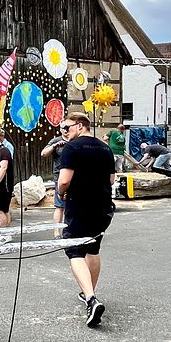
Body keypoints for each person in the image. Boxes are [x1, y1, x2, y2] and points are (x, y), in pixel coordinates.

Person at [58, 112, 115, 328]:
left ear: (80, 126)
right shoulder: (105, 148)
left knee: (74, 250)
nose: (64, 132)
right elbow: (111, 179)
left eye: (67, 127)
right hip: (103, 207)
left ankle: (91, 298)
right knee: (93, 248)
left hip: (80, 205)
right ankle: (89, 291)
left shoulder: (71, 148)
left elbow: (64, 181)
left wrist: (62, 193)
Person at [41, 130, 67, 229]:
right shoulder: (55, 141)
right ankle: (57, 232)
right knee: (59, 206)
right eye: (63, 127)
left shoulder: (76, 140)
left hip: (75, 177)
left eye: (67, 127)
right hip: (59, 177)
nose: (65, 130)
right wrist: (54, 146)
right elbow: (43, 154)